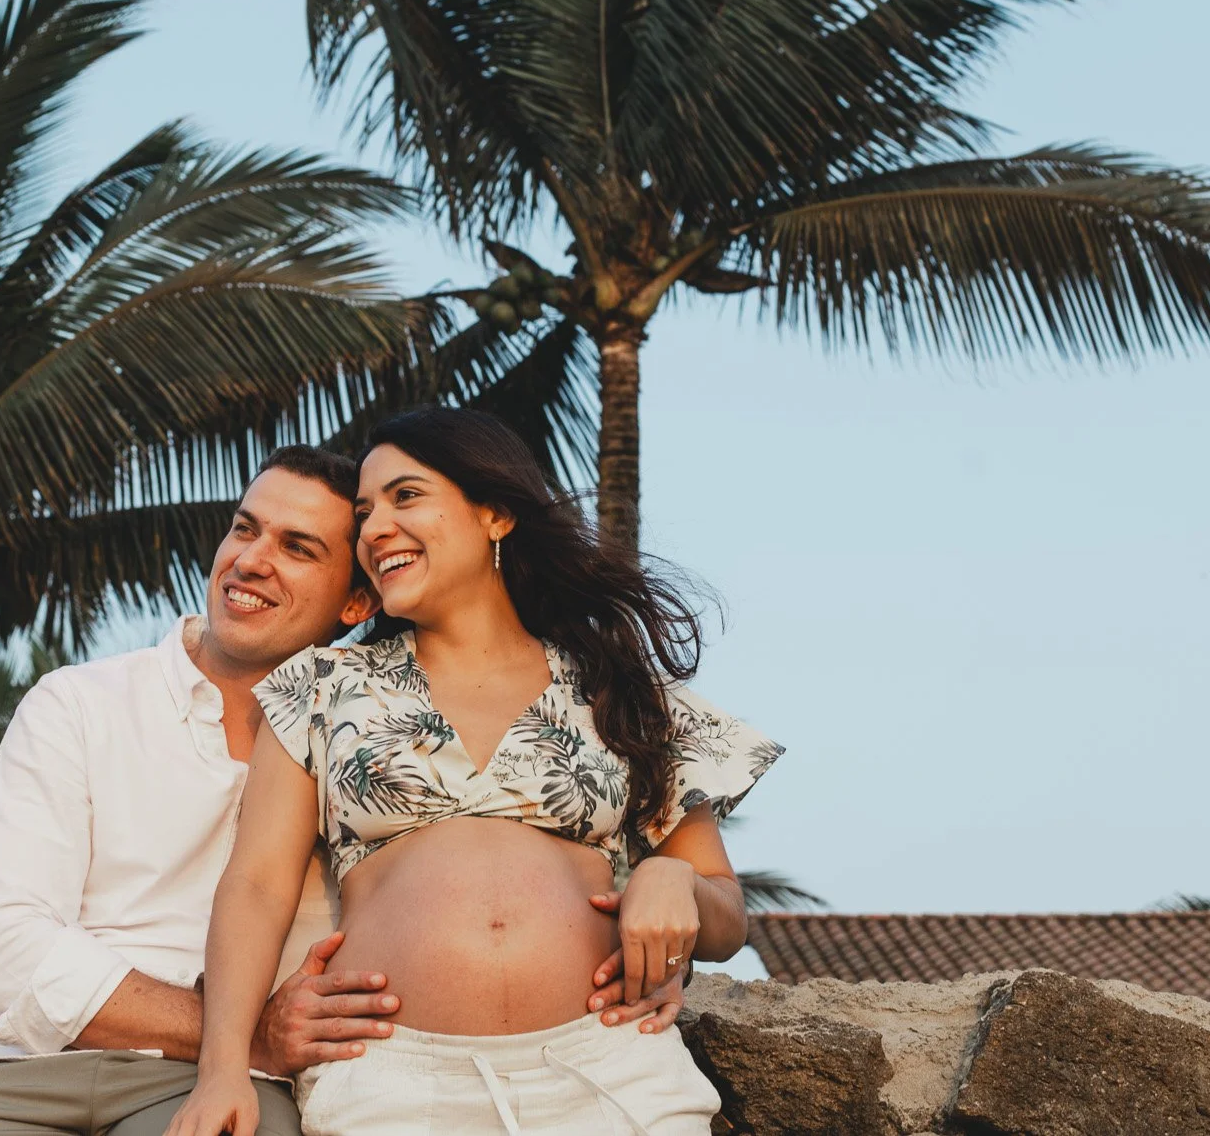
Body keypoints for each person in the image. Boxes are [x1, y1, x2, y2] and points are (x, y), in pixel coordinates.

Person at [0, 444, 680, 1136]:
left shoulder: (370, 738)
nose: (252, 559)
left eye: (298, 547)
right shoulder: (80, 703)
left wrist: (655, 922)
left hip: (236, 1083)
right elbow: (1, 953)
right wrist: (239, 1035)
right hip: (26, 1064)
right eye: (245, 528)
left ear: (356, 601)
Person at [170, 410, 784, 1136]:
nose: (375, 529)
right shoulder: (320, 685)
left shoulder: (617, 687)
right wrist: (223, 1070)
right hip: (392, 1085)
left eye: (405, 496)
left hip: (613, 1070)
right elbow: (255, 886)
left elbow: (726, 915)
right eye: (364, 514)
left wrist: (676, 879)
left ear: (495, 514)